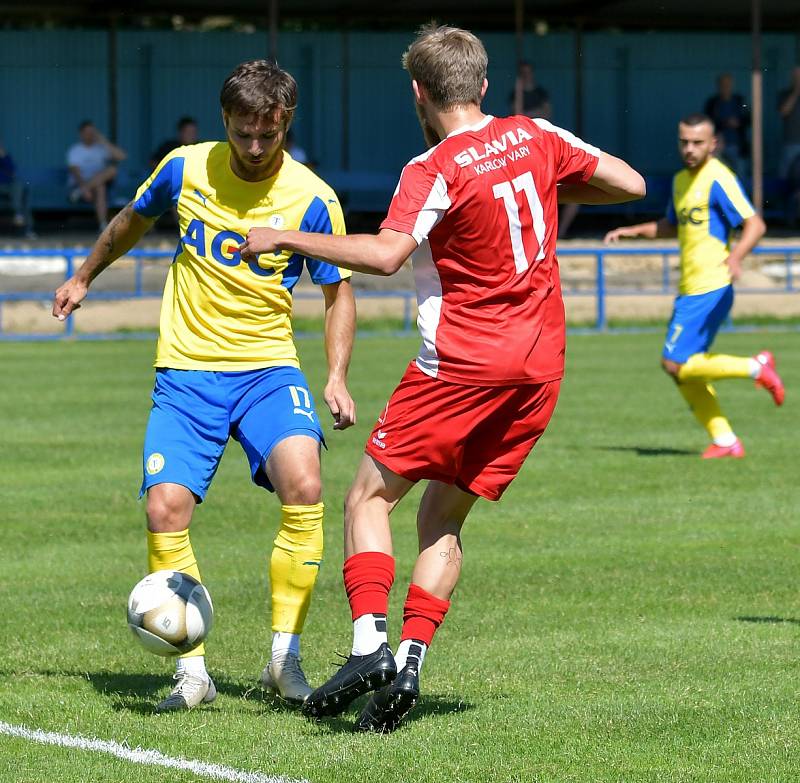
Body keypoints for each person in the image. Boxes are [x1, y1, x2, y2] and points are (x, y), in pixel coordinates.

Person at [240, 24, 644, 732]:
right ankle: (412, 664)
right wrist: (546, 180)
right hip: (539, 368)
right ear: (484, 84)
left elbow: (388, 253)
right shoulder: (536, 135)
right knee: (442, 517)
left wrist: (284, 238)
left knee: (368, 496)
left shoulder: (433, 167)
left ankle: (369, 646)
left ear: (419, 92)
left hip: (464, 364)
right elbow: (630, 183)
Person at [52, 60, 356, 712]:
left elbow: (338, 294)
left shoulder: (312, 198)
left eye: (266, 136)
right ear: (225, 121)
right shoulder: (184, 168)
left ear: (286, 125)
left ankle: (285, 659)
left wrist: (335, 375)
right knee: (165, 508)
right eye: (243, 133)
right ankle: (191, 670)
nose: (253, 148)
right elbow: (131, 219)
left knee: (305, 482)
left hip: (269, 370)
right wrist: (84, 276)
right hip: (186, 370)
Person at [604, 113, 784, 459]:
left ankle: (757, 367)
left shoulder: (720, 178)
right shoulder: (680, 182)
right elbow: (672, 226)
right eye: (684, 141)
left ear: (713, 144)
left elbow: (755, 225)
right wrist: (633, 230)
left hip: (712, 285)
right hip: (691, 288)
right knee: (682, 372)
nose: (689, 148)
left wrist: (736, 258)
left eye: (698, 142)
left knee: (675, 363)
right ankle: (725, 440)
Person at [66, 121, 127, 230]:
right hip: (81, 184)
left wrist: (103, 141)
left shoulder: (100, 148)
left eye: (92, 132)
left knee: (111, 172)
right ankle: (103, 224)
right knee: (101, 185)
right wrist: (84, 187)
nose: (90, 135)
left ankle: (102, 224)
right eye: (87, 132)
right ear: (81, 133)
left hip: (87, 188)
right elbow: (75, 172)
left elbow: (121, 156)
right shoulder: (75, 150)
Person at [704, 73, 749, 179]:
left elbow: (749, 119)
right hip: (718, 147)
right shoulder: (713, 102)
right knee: (717, 175)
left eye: (728, 84)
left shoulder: (739, 101)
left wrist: (738, 122)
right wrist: (724, 123)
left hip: (738, 146)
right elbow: (707, 122)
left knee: (740, 176)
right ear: (718, 86)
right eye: (723, 84)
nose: (726, 87)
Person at [0, 141, 35, 238]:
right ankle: (18, 213)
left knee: (20, 186)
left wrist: (3, 156)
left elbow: (12, 171)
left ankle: (23, 222)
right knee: (19, 193)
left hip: (7, 186)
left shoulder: (4, 155)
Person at [777, 66, 800, 180]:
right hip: (791, 142)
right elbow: (783, 112)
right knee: (786, 174)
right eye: (796, 77)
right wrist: (796, 92)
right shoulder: (785, 94)